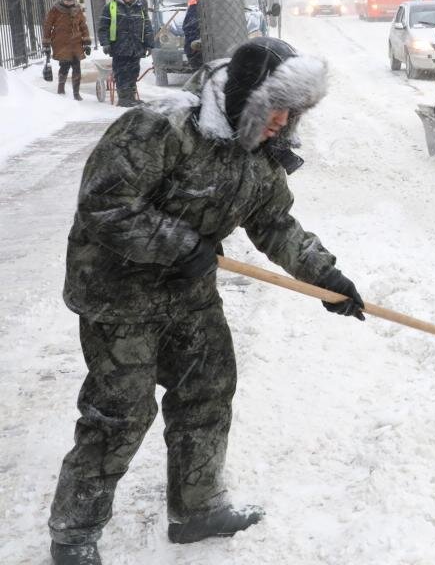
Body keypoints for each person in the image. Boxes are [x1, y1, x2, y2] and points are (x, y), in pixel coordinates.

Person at [47, 38, 365, 565]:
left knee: (209, 390)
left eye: (293, 112)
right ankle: (75, 531)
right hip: (118, 292)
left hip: (188, 294)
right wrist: (178, 243)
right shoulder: (161, 127)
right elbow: (105, 204)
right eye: (277, 108)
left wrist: (327, 277)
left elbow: (275, 224)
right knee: (121, 414)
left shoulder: (260, 156)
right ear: (248, 98)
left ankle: (197, 510)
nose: (283, 123)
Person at [99, 0, 153, 107]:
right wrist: (105, 43)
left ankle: (131, 97)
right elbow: (103, 27)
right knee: (122, 73)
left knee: (133, 73)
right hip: (119, 48)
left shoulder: (139, 7)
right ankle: (123, 99)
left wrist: (149, 44)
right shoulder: (111, 7)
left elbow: (147, 26)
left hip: (136, 47)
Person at [43, 0, 91, 101]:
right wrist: (46, 42)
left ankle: (76, 93)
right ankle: (61, 87)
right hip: (61, 43)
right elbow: (47, 26)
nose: (69, 2)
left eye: (71, 0)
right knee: (64, 66)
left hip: (76, 43)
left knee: (77, 67)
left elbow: (83, 26)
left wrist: (87, 42)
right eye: (66, 0)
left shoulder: (78, 9)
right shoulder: (55, 10)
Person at [182, 0, 202, 70]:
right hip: (196, 48)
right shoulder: (195, 6)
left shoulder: (194, 5)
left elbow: (188, 27)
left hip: (195, 48)